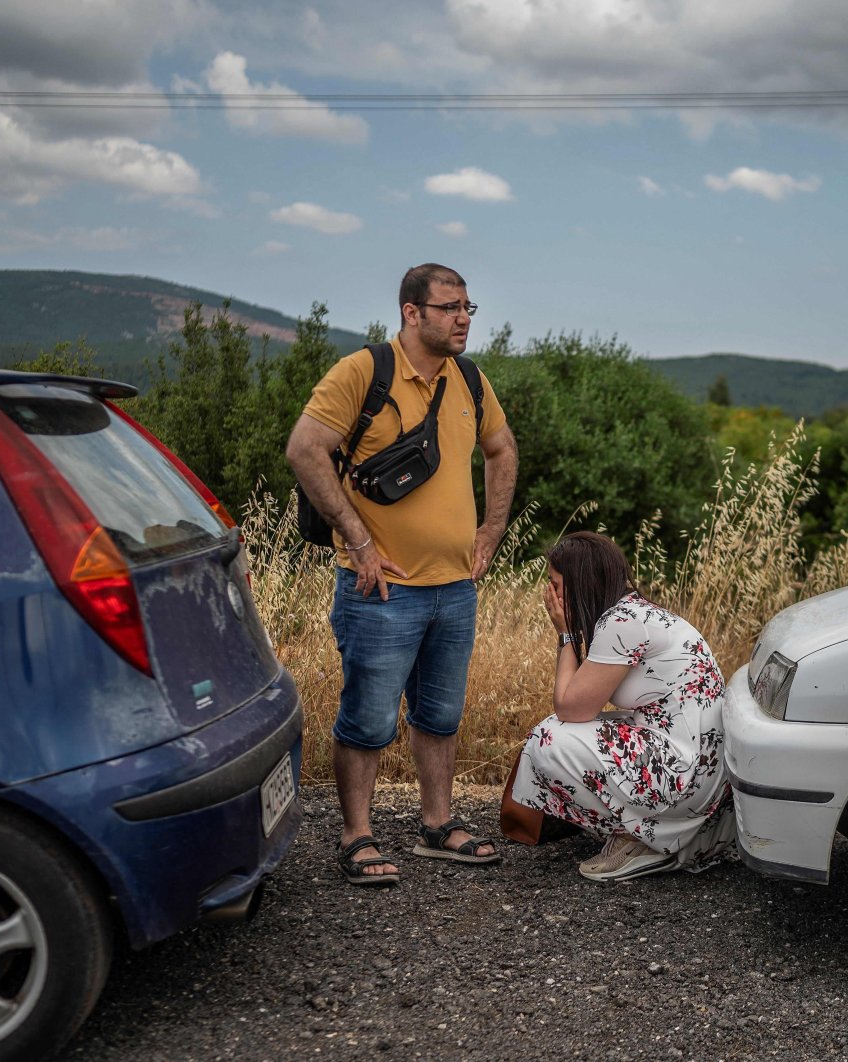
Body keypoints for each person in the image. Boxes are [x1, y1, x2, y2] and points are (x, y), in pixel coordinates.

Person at [286, 263, 518, 887]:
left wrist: (492, 531)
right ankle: (356, 836)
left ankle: (437, 825)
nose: (463, 317)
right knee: (368, 720)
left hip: (454, 588)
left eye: (469, 306)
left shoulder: (470, 379)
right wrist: (357, 540)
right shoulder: (364, 372)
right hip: (380, 589)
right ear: (412, 313)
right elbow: (304, 449)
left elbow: (502, 450)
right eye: (449, 307)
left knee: (439, 715)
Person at [511, 531, 736, 882]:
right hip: (700, 769)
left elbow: (571, 707)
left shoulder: (623, 622)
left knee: (547, 739)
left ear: (579, 584)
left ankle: (644, 840)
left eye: (555, 584)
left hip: (686, 776)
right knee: (566, 731)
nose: (549, 595)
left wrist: (566, 633)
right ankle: (653, 831)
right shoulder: (633, 613)